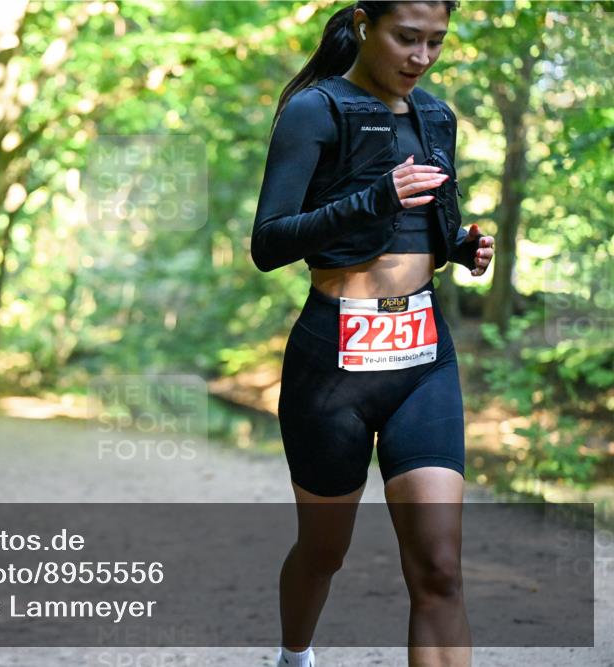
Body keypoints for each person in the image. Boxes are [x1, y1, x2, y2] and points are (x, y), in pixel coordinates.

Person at [251, 3, 496, 666]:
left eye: (436, 42)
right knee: (324, 550)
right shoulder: (316, 111)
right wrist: (375, 196)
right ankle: (294, 653)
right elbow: (268, 243)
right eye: (406, 39)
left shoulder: (437, 117)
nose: (421, 57)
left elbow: (436, 227)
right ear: (364, 24)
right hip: (332, 365)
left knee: (440, 566)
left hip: (422, 358)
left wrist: (465, 245)